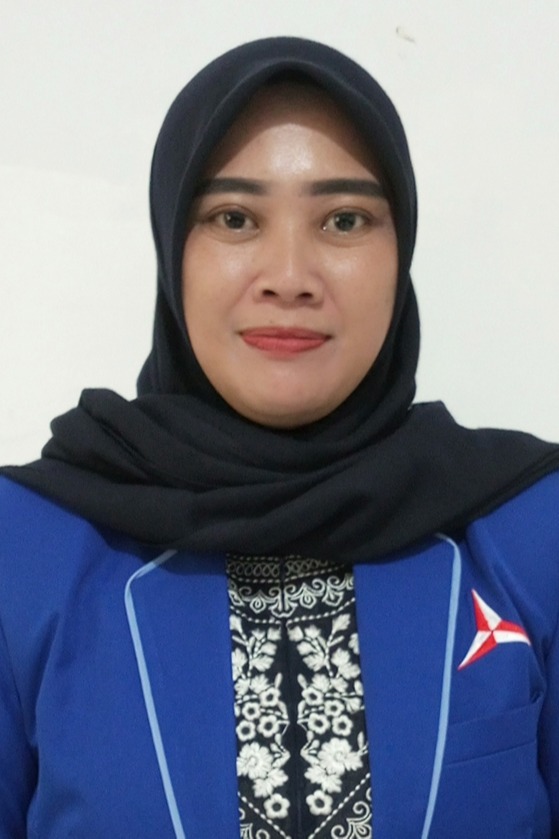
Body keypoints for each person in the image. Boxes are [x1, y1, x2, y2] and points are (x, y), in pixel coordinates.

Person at [1, 36, 558, 839]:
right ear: (172, 247)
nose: (289, 276)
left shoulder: (527, 530)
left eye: (343, 219)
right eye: (234, 218)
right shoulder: (25, 548)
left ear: (399, 251)